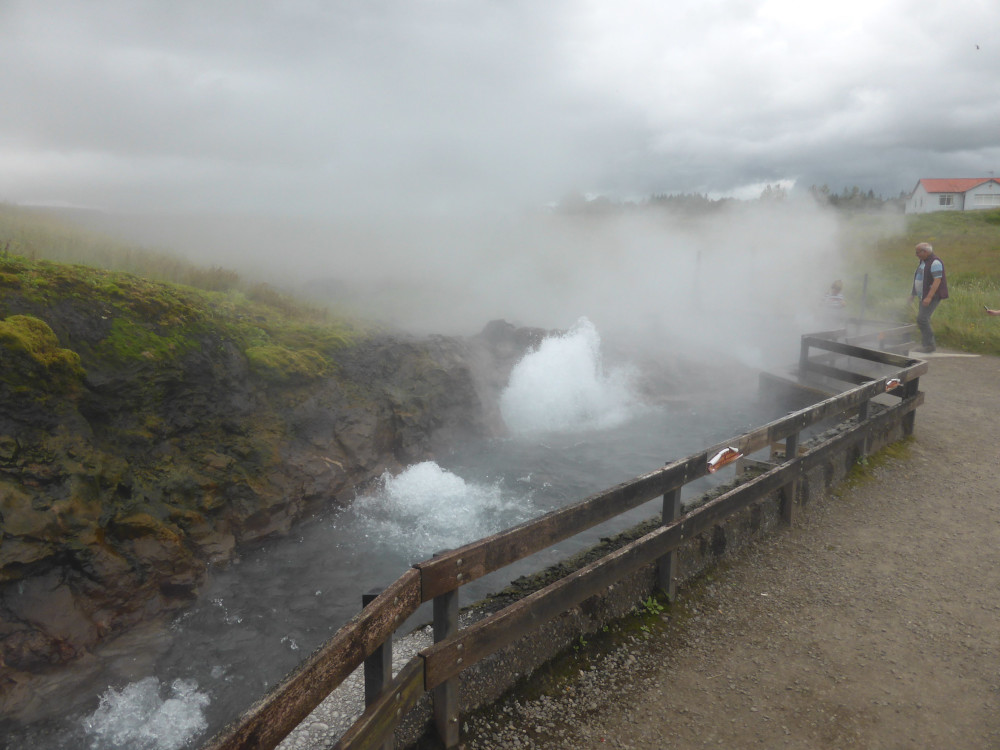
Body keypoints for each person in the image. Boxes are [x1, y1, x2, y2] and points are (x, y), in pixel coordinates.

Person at [910, 242, 948, 353]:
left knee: (922, 319)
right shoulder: (923, 261)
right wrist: (913, 294)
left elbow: (937, 281)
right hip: (923, 295)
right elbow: (918, 278)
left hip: (931, 296)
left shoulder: (935, 262)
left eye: (918, 252)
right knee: (923, 319)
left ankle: (929, 346)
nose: (916, 254)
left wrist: (929, 297)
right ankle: (927, 344)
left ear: (925, 252)